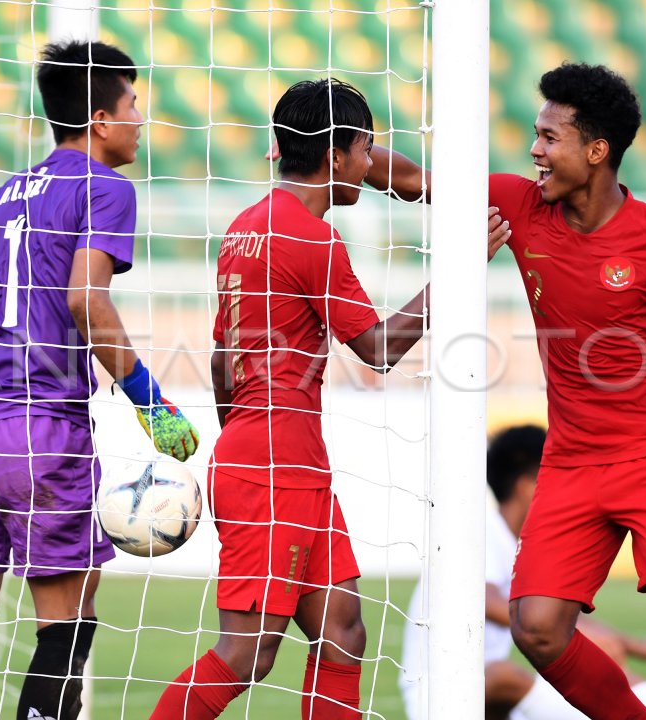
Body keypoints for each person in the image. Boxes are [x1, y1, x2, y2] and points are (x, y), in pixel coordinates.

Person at [366, 63, 646, 720]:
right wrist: (324, 144)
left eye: (549, 138)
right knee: (536, 627)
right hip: (570, 461)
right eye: (536, 136)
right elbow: (408, 180)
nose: (535, 150)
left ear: (597, 151)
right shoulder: (517, 204)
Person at [148, 79, 511, 720]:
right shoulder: (313, 238)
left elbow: (220, 361)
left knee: (342, 635)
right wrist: (457, 271)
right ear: (337, 156)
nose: (370, 166)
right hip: (275, 463)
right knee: (247, 652)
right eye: (366, 151)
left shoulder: (245, 227)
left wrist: (244, 438)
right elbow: (376, 349)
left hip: (279, 455)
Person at [0, 40, 200, 720]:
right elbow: (86, 299)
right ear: (104, 120)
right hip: (41, 429)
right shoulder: (106, 189)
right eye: (134, 104)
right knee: (67, 623)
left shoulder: (1, 195)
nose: (140, 118)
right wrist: (151, 402)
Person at [400, 425, 646, 720]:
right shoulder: (483, 532)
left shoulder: (525, 545)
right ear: (529, 486)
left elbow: (556, 620)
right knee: (504, 675)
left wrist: (635, 647)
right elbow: (484, 600)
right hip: (440, 694)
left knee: (597, 667)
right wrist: (585, 635)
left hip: (493, 703)